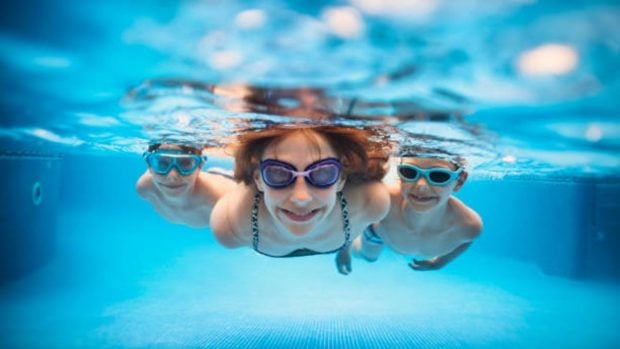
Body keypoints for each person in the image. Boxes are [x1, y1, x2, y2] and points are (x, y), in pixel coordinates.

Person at [210, 124, 390, 272]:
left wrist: (345, 246)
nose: (301, 198)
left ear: (341, 179)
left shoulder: (372, 201)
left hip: (342, 239)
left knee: (369, 256)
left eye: (322, 173)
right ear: (259, 180)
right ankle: (226, 177)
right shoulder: (229, 224)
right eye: (278, 173)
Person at [347, 147, 483, 271]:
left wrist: (438, 263)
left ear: (459, 181)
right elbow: (352, 218)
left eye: (438, 176)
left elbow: (466, 241)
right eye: (409, 172)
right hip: (377, 233)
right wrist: (344, 250)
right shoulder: (384, 197)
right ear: (399, 174)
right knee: (368, 257)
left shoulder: (469, 225)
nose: (421, 186)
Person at [136, 143, 237, 228]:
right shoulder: (145, 188)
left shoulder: (220, 199)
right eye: (162, 163)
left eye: (185, 163)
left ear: (200, 167)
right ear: (149, 167)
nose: (172, 177)